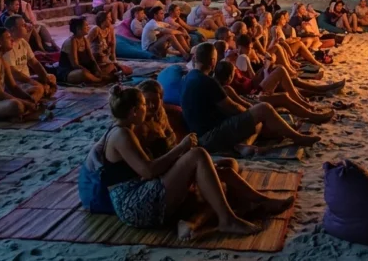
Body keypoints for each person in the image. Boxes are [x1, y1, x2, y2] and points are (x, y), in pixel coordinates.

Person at [97, 84, 270, 236]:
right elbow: (148, 171)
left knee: (220, 173)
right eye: (144, 104)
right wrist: (181, 149)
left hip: (141, 191)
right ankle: (228, 219)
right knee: (198, 155)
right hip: (133, 204)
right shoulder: (121, 134)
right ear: (134, 111)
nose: (148, 107)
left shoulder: (125, 129)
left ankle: (260, 201)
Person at [181, 43, 321, 156]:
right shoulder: (207, 82)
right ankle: (297, 137)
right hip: (209, 136)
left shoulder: (189, 77)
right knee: (263, 109)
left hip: (202, 133)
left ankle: (243, 146)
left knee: (258, 119)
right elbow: (232, 108)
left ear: (195, 59)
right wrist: (250, 111)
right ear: (213, 61)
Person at [215, 59, 334, 124]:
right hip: (254, 97)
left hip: (253, 94)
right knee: (284, 95)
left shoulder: (225, 83)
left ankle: (309, 104)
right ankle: (311, 114)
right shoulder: (227, 88)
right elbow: (241, 102)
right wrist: (256, 99)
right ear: (230, 76)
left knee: (286, 85)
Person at [2, 15, 57, 98]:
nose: (27, 26)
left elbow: (34, 62)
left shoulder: (23, 42)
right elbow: (13, 72)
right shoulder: (8, 47)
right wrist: (32, 82)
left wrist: (44, 77)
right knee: (38, 89)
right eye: (23, 25)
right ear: (13, 29)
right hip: (15, 83)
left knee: (51, 78)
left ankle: (38, 97)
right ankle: (31, 104)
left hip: (26, 80)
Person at [58, 17, 107, 85]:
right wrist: (88, 71)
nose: (88, 27)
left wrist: (97, 69)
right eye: (86, 26)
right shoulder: (72, 41)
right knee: (83, 73)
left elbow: (92, 58)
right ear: (78, 29)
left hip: (83, 67)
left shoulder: (84, 39)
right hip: (69, 71)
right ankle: (99, 80)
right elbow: (75, 64)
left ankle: (96, 77)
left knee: (110, 66)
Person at [135, 80, 177, 158]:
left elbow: (171, 135)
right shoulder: (138, 124)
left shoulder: (160, 112)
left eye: (155, 101)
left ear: (161, 100)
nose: (151, 106)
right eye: (146, 102)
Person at [89, 11, 125, 79]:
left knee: (125, 70)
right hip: (96, 58)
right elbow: (86, 43)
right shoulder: (96, 29)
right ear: (102, 20)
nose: (111, 20)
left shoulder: (110, 29)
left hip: (105, 58)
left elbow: (113, 44)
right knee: (114, 70)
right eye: (108, 18)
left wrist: (114, 59)